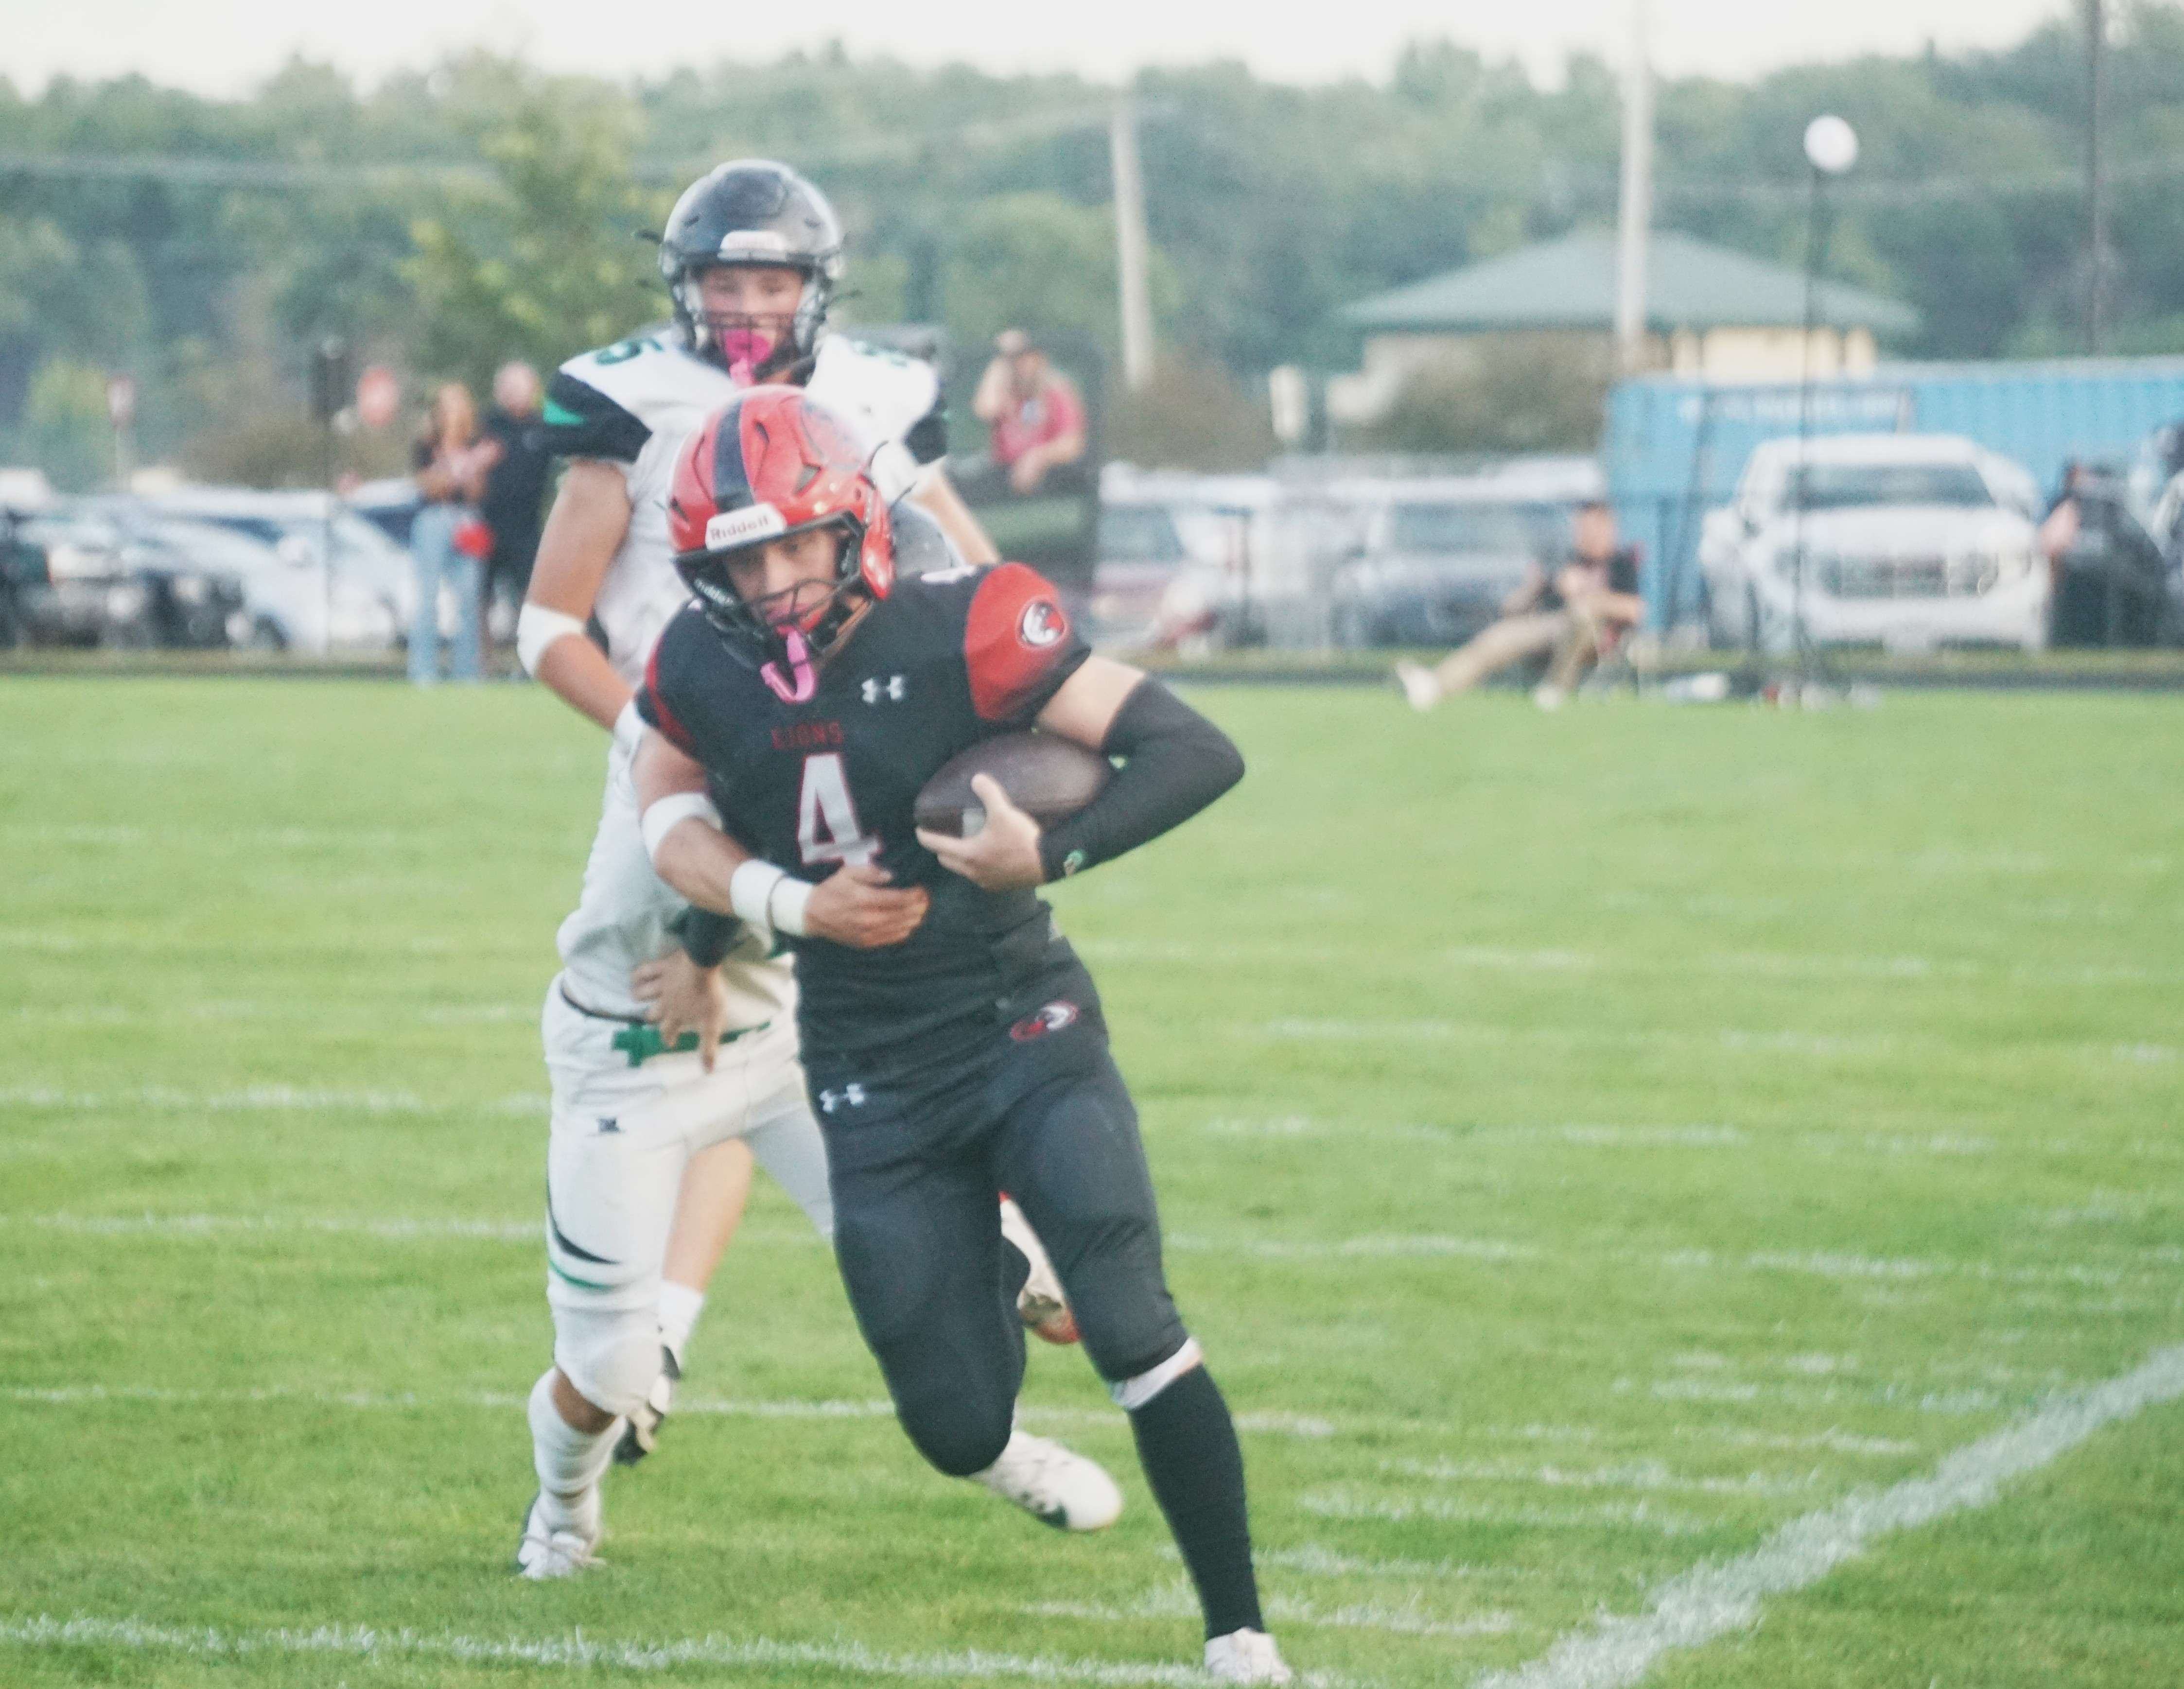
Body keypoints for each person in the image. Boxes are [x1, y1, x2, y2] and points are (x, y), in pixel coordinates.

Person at [631, 386, 1291, 1686]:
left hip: (1019, 1022)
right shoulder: (696, 668)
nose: (769, 585)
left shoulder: (968, 624)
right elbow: (719, 817)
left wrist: (1049, 849)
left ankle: (1240, 1637)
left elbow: (1192, 749)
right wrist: (710, 949)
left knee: (1129, 1319)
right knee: (953, 1425)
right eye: (740, 562)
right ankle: (992, 1260)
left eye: (791, 546)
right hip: (867, 1069)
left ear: (853, 527)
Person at [512, 158, 1106, 1573]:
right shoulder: (629, 407)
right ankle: (572, 1483)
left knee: (898, 1030)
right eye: (721, 281)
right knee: (611, 1339)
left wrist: (1030, 693)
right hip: (693, 784)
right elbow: (556, 635)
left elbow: (969, 586)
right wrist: (687, 740)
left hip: (839, 792)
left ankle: (1008, 1265)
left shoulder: (878, 402)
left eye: (769, 280)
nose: (744, 305)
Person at [1396, 499, 1645, 712]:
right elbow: (1512, 608)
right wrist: (1536, 585)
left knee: (1582, 614)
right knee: (1501, 636)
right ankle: (1435, 685)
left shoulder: (1620, 564)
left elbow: (1635, 609)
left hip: (1598, 637)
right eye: (1581, 528)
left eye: (1591, 528)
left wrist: (1589, 596)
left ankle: (1556, 688)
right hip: (1551, 630)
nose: (1585, 535)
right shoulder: (1566, 561)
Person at [409, 383, 499, 684]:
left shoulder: (475, 443)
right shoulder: (425, 446)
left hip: (467, 519)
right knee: (427, 598)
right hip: (433, 519)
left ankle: (467, 672)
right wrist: (457, 470)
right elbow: (430, 488)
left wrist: (468, 470)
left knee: (469, 598)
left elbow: (477, 492)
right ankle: (423, 670)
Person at [479, 361, 553, 654]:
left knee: (530, 595)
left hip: (527, 525)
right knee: (482, 596)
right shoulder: (487, 426)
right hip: (488, 523)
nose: (513, 394)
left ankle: (528, 657)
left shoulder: (544, 427)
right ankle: (481, 663)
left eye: (519, 387)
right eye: (507, 387)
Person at [967, 330, 1088, 497]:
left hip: (1051, 483)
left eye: (1027, 358)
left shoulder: (1056, 392)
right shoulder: (1007, 394)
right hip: (1004, 480)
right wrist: (1000, 359)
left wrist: (1037, 458)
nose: (1022, 366)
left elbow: (1072, 444)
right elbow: (986, 409)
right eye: (1016, 360)